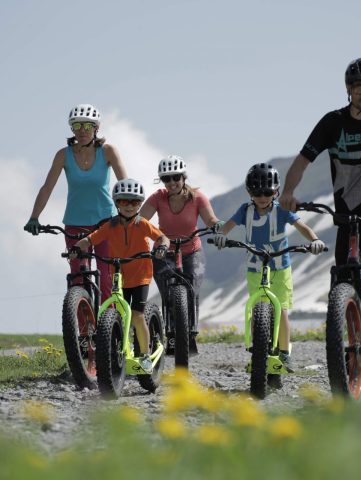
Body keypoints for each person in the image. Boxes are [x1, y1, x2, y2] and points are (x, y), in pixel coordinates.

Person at [213, 163, 325, 374]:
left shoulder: (282, 210)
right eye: (257, 192)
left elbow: (302, 227)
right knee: (257, 309)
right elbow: (228, 225)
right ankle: (258, 351)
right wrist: (221, 235)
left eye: (267, 192)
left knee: (281, 310)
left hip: (280, 268)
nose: (262, 197)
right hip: (255, 268)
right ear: (249, 192)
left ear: (276, 192)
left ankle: (285, 353)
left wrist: (315, 240)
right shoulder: (245, 211)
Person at [279, 58, 361, 270]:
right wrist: (288, 192)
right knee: (343, 275)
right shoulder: (333, 123)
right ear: (349, 88)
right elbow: (303, 160)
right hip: (349, 216)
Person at [24, 104, 127, 300]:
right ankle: (84, 327)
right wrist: (34, 217)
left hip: (105, 222)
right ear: (72, 128)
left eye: (87, 126)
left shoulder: (108, 151)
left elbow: (125, 185)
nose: (82, 131)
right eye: (77, 126)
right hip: (74, 224)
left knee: (107, 277)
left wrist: (128, 216)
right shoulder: (63, 155)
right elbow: (47, 188)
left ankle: (109, 326)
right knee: (78, 278)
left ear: (96, 128)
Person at [71, 179, 170, 373]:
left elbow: (161, 237)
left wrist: (163, 247)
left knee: (137, 315)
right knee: (121, 315)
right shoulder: (111, 225)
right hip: (120, 275)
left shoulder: (143, 224)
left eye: (134, 202)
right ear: (117, 203)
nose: (129, 206)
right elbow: (91, 239)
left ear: (140, 204)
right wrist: (77, 247)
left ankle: (144, 355)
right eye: (124, 202)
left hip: (141, 276)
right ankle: (119, 350)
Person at [139, 154, 223, 353]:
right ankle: (170, 334)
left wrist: (217, 227)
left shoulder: (198, 197)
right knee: (168, 294)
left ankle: (191, 333)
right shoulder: (157, 197)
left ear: (184, 177)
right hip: (164, 251)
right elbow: (141, 220)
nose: (172, 183)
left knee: (192, 291)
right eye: (166, 179)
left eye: (176, 177)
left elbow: (211, 220)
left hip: (192, 250)